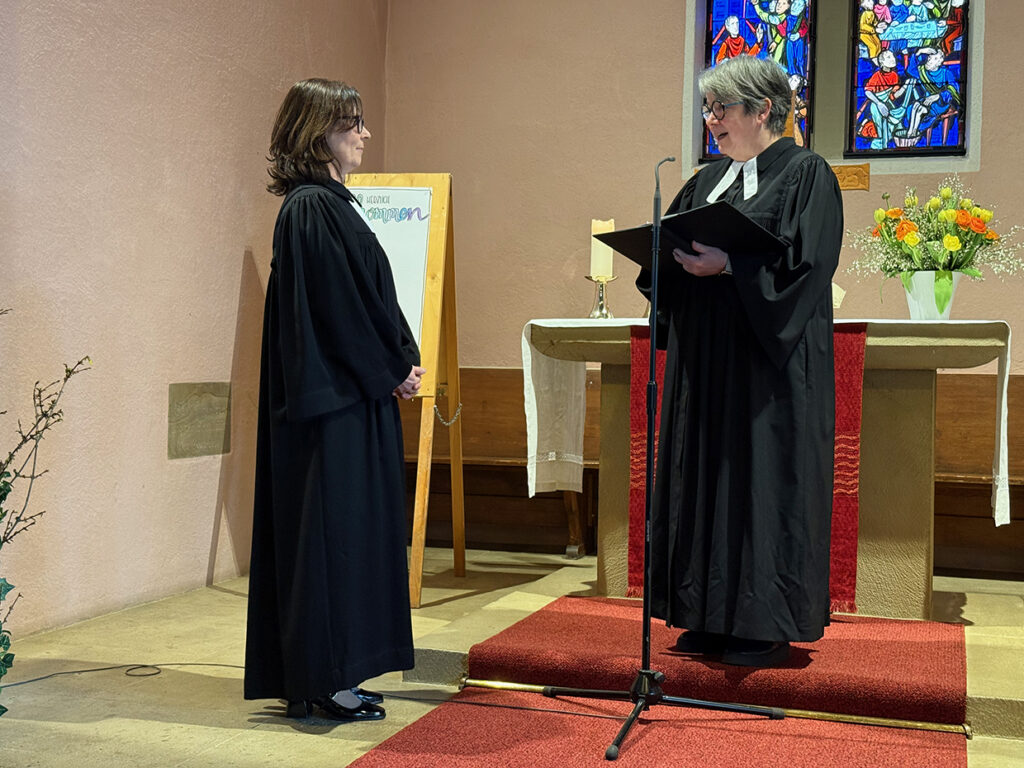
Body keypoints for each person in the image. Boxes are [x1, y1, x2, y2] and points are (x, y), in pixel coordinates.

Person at [636, 55, 842, 668]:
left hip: (766, 368)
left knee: (758, 482)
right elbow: (665, 254)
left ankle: (761, 621)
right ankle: (703, 611)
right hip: (705, 362)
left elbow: (808, 268)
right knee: (701, 476)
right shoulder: (706, 181)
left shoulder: (807, 175)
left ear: (763, 110)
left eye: (722, 108)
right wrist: (665, 261)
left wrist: (732, 265)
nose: (712, 120)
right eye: (708, 109)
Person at [244, 78, 424, 720]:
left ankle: (335, 671)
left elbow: (373, 297)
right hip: (332, 409)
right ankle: (321, 680)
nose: (364, 134)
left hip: (354, 396)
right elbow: (338, 309)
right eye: (353, 123)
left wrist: (400, 357)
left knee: (351, 536)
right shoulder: (310, 208)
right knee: (330, 539)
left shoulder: (330, 204)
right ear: (317, 130)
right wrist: (390, 367)